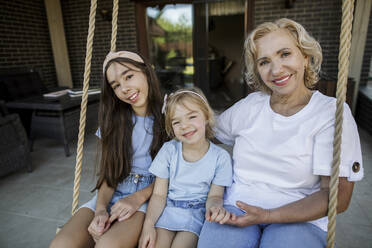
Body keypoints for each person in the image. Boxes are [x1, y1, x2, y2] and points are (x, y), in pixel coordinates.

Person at [197, 18, 364, 248]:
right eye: (264, 61)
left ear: (305, 57)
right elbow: (206, 132)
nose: (276, 69)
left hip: (301, 218)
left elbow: (338, 198)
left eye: (285, 54)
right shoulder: (251, 105)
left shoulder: (331, 113)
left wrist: (267, 215)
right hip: (236, 206)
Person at [50, 50, 167, 248]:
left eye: (129, 76)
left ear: (146, 72)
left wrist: (137, 198)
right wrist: (100, 210)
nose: (124, 88)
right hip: (112, 193)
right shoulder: (113, 123)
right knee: (60, 245)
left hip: (150, 195)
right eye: (116, 85)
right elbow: (109, 176)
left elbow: (179, 175)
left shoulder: (170, 116)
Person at [139, 88, 233, 248]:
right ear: (171, 127)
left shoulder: (220, 157)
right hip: (168, 211)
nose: (185, 126)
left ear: (206, 116)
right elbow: (159, 194)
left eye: (192, 116)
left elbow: (215, 196)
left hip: (195, 215)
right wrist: (148, 226)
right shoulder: (169, 150)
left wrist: (215, 208)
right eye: (176, 121)